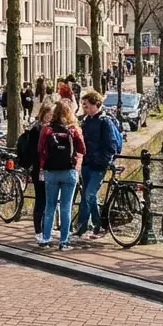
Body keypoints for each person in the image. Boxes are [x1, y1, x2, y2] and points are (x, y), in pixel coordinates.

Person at [75, 89, 123, 239]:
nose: (84, 108)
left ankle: (81, 228)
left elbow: (111, 145)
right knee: (90, 196)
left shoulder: (105, 121)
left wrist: (102, 161)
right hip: (86, 164)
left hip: (98, 166)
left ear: (96, 105)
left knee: (88, 195)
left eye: (87, 105)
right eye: (83, 105)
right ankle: (99, 226)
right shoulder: (86, 121)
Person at [37, 101, 86, 251]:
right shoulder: (73, 130)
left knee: (50, 206)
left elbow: (40, 149)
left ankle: (45, 238)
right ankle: (64, 242)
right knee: (66, 207)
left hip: (51, 172)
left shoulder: (47, 130)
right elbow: (82, 150)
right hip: (69, 172)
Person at [16, 103, 54, 240]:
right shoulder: (37, 129)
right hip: (39, 169)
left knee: (49, 199)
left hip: (48, 169)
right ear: (43, 113)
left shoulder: (51, 128)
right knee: (41, 199)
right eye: (49, 114)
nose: (50, 116)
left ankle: (46, 228)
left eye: (52, 114)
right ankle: (39, 230)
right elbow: (32, 150)